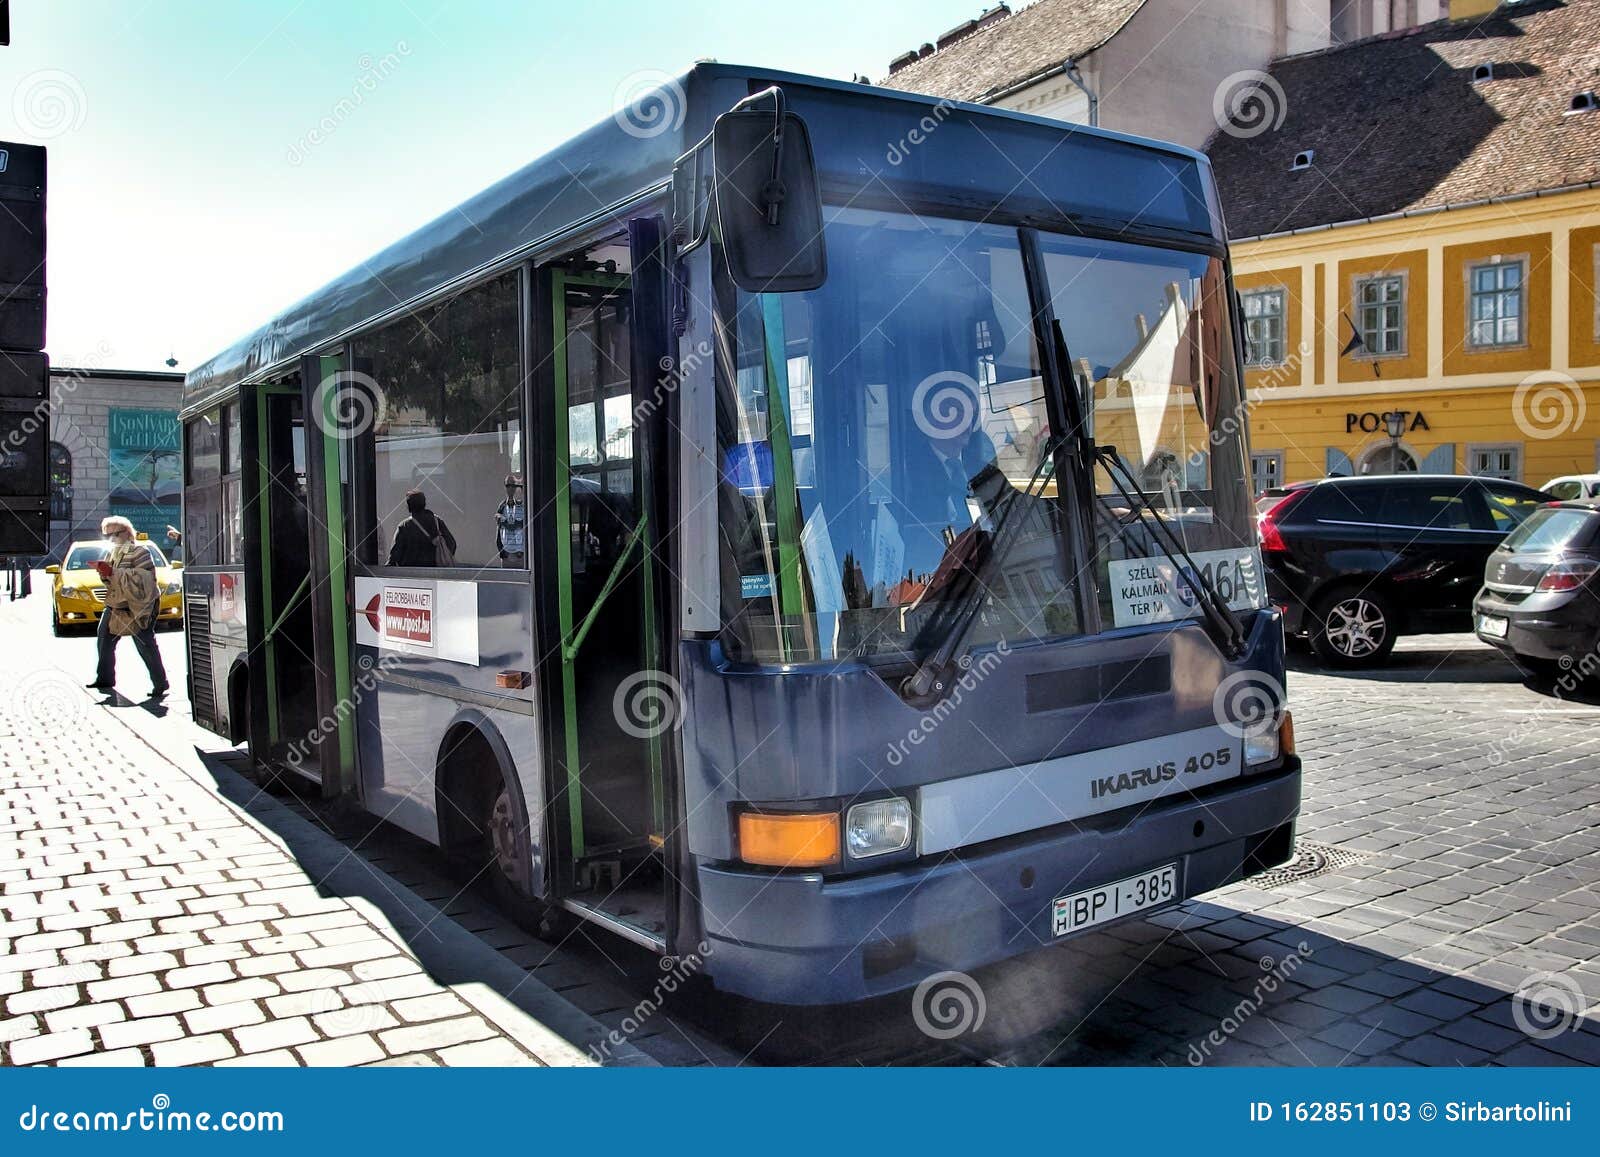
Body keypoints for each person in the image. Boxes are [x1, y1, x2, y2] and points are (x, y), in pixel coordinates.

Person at [88, 516, 169, 698]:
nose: (111, 539)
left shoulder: (139, 551)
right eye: (107, 535)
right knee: (104, 637)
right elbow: (111, 581)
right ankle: (105, 677)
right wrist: (105, 573)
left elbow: (145, 578)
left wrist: (113, 572)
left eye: (114, 534)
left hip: (140, 604)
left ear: (125, 533)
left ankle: (160, 683)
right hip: (117, 603)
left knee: (144, 642)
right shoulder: (112, 553)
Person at [387, 489, 457, 567]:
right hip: (436, 571)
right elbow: (452, 544)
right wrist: (440, 555)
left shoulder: (404, 526)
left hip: (410, 573)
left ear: (409, 506)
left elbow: (395, 554)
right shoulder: (437, 521)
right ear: (424, 503)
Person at [495, 473, 527, 567]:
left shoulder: (524, 506)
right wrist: (501, 551)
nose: (510, 488)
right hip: (507, 556)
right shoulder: (502, 506)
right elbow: (498, 531)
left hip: (521, 556)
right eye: (508, 486)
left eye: (513, 486)